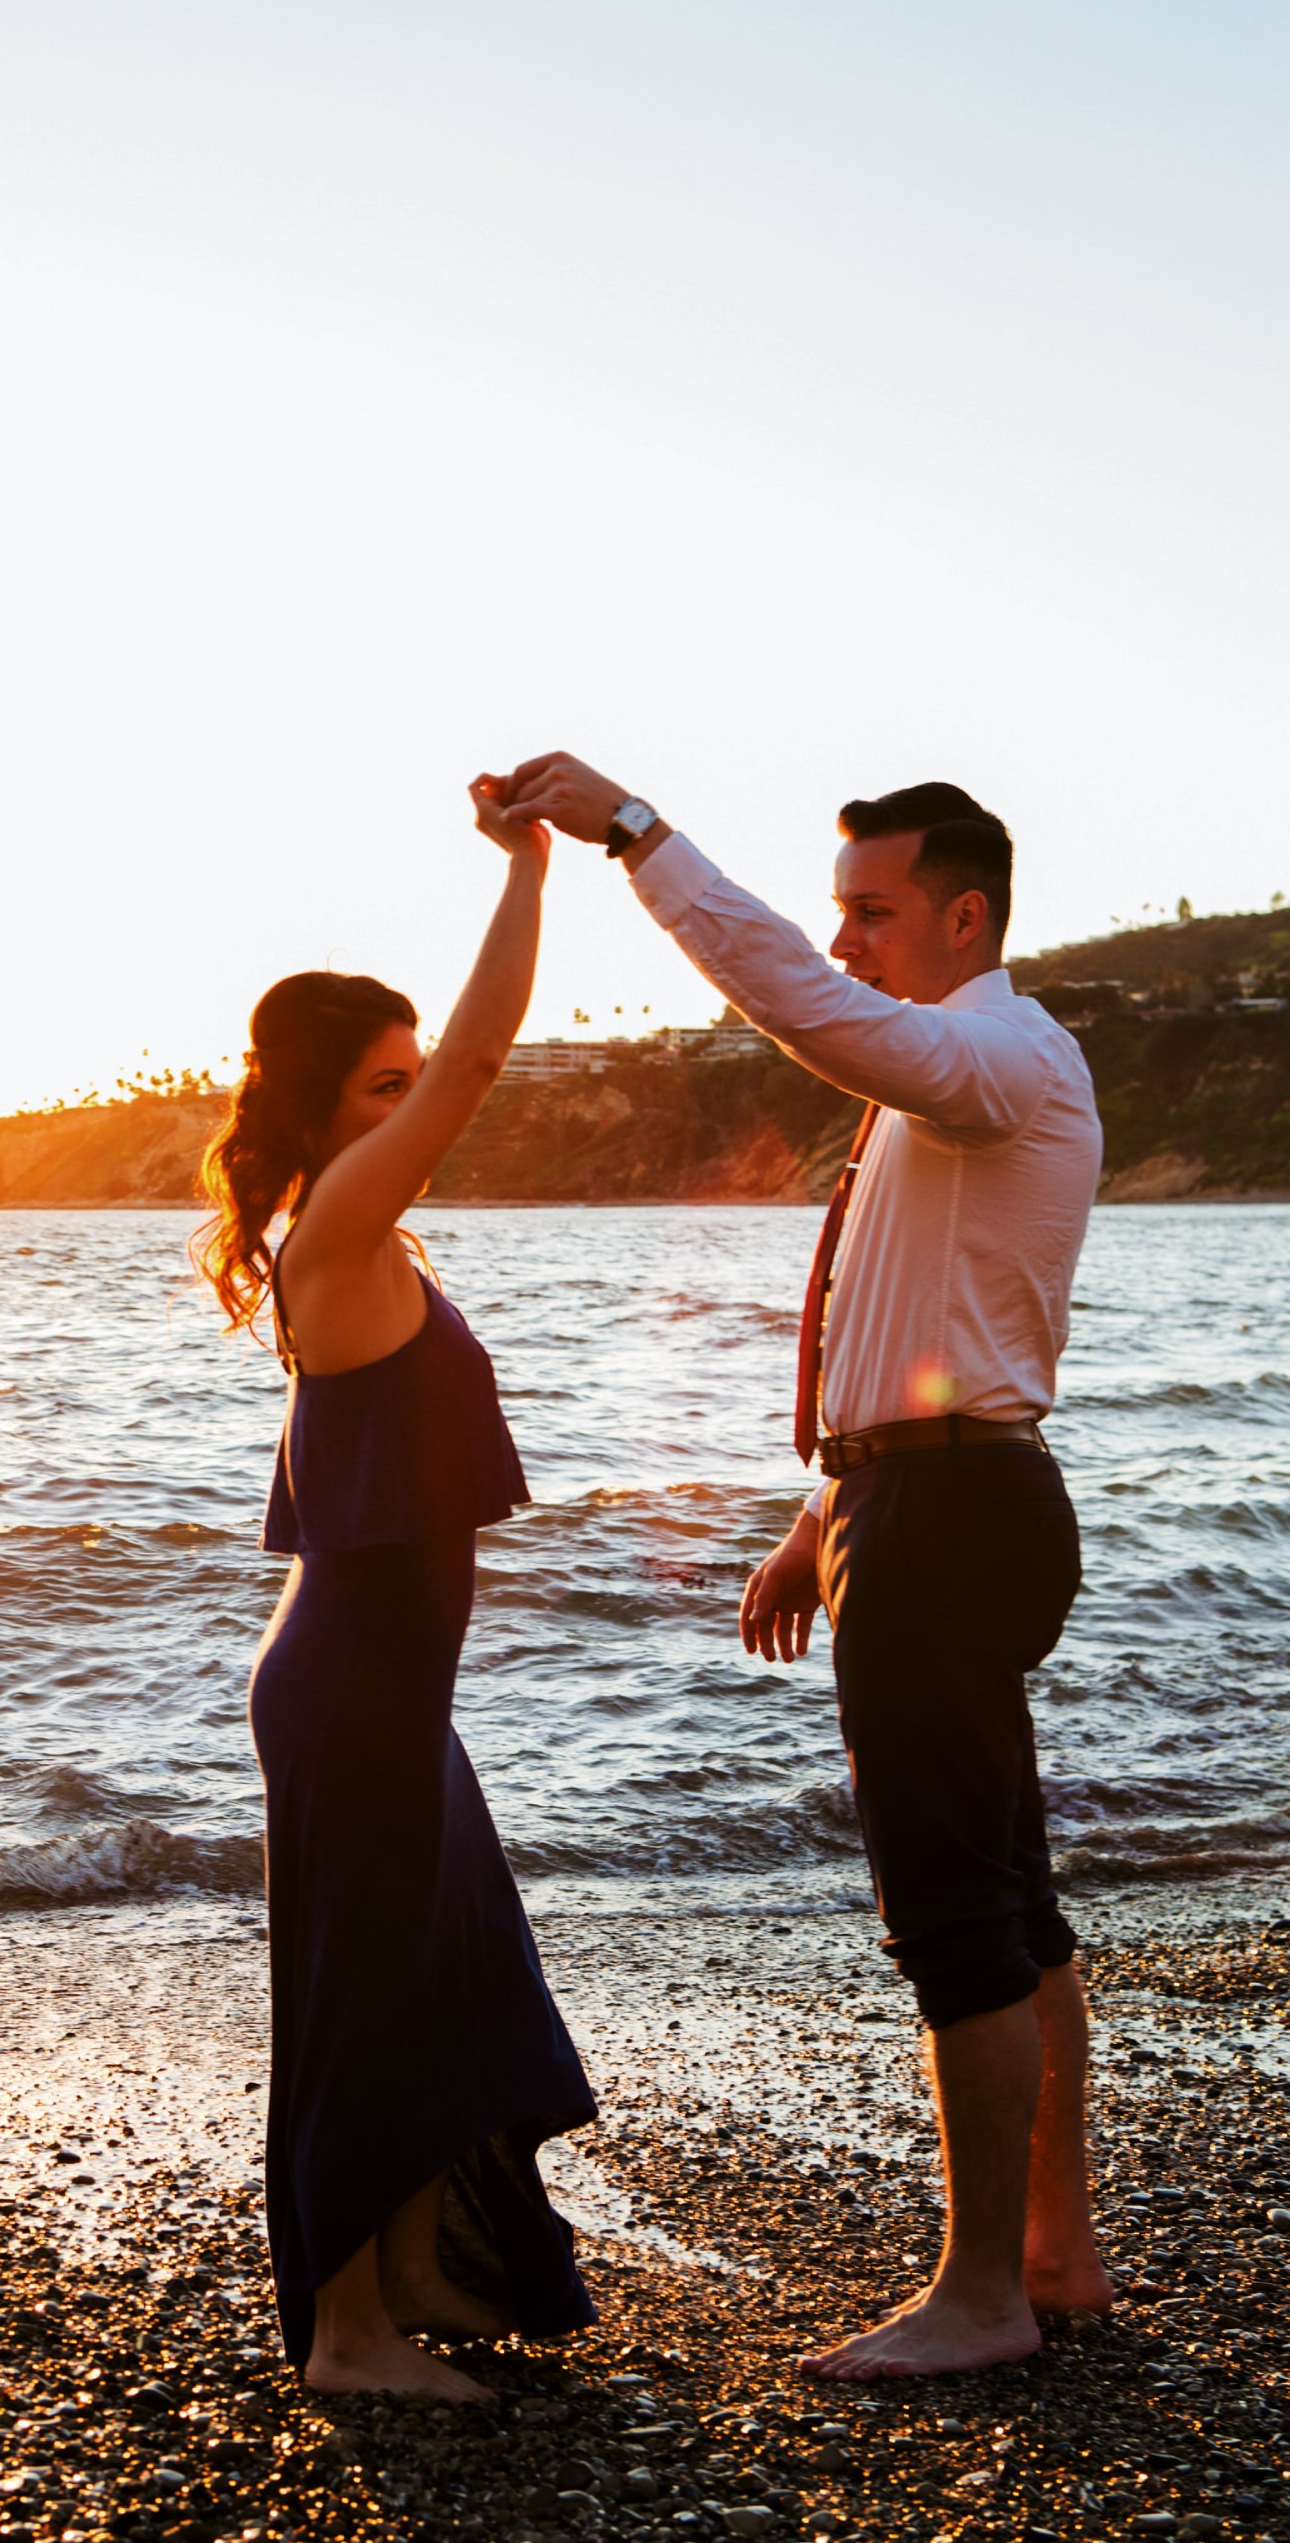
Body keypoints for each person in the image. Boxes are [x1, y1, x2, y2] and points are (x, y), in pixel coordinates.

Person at [503, 752, 1111, 2382]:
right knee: (1012, 1895)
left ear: (965, 913)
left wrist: (640, 839)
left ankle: (984, 2296)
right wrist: (817, 1517)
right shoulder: (960, 1083)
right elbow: (915, 1328)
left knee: (956, 1918)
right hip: (918, 1502)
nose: (844, 942)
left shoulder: (995, 1055)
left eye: (872, 910)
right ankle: (1055, 2250)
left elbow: (812, 1012)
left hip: (955, 1518)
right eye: (838, 909)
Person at [195, 775, 597, 2402]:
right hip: (353, 1690)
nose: (417, 1104)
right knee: (362, 2004)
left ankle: (424, 2271)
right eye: (384, 1084)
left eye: (412, 1080)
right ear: (316, 1110)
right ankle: (347, 2341)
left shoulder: (377, 1234)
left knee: (447, 1977)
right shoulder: (342, 1222)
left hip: (390, 1695)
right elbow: (494, 1058)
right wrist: (529, 871)